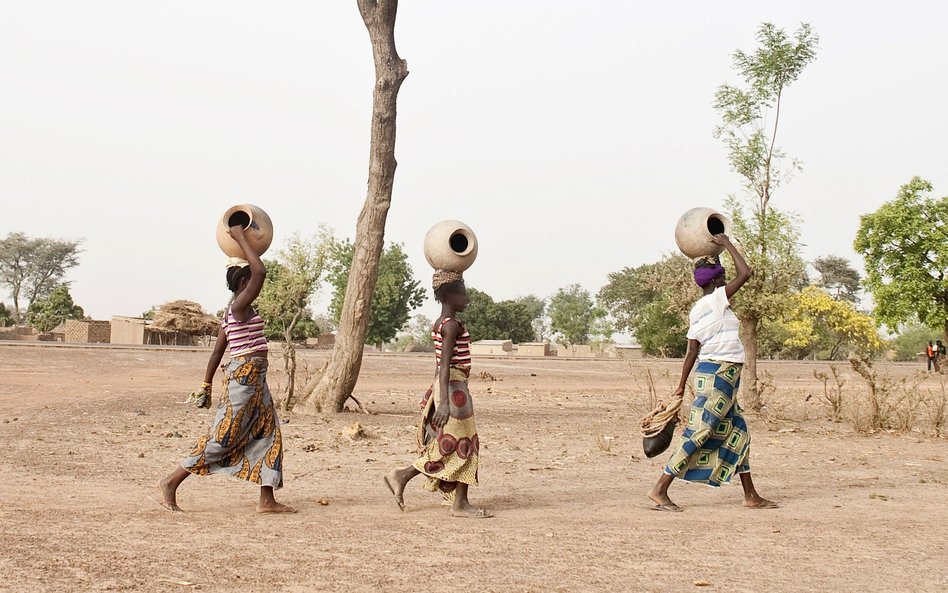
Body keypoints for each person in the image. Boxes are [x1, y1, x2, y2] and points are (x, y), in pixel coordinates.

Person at [157, 224, 295, 513]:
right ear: (244, 281)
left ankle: (267, 500)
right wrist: (242, 237)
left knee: (269, 433)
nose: (257, 284)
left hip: (253, 379)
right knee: (223, 438)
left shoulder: (233, 310)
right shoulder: (239, 306)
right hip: (244, 379)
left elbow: (218, 352)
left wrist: (205, 386)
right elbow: (261, 271)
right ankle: (172, 481)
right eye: (251, 279)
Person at [647, 234, 777, 512]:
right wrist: (728, 244)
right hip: (719, 375)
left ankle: (751, 496)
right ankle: (660, 488)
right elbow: (747, 272)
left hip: (716, 374)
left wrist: (681, 386)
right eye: (723, 275)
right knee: (700, 431)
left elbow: (691, 352)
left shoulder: (699, 310)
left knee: (738, 433)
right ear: (717, 280)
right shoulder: (717, 300)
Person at [383, 270, 492, 518]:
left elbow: (439, 366)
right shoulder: (452, 326)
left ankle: (403, 477)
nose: (467, 299)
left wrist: (435, 394)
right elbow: (445, 365)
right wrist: (443, 403)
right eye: (462, 294)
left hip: (448, 388)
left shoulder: (439, 324)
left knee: (452, 444)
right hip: (456, 391)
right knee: (466, 445)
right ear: (449, 296)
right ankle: (459, 503)